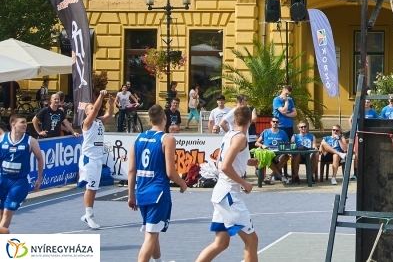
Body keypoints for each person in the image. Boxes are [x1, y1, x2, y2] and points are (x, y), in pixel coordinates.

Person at [194, 106, 260, 262]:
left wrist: (247, 161)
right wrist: (245, 183)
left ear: (235, 120)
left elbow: (220, 161)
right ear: (250, 121)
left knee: (221, 243)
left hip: (220, 193)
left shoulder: (229, 135)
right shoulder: (241, 138)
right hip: (229, 194)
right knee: (252, 241)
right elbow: (224, 166)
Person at [127, 104, 188, 262]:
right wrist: (182, 183)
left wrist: (130, 196)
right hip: (158, 193)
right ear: (165, 118)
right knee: (150, 236)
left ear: (149, 119)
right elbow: (170, 172)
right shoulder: (167, 139)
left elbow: (131, 170)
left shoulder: (138, 138)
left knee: (153, 231)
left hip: (141, 192)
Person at [0, 114, 44, 233]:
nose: (25, 124)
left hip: (19, 182)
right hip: (2, 179)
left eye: (25, 122)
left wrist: (39, 179)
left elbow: (40, 158)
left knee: (8, 212)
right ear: (13, 124)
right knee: (1, 212)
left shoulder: (31, 141)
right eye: (22, 122)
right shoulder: (2, 139)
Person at [79, 90, 115, 229]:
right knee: (90, 187)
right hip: (89, 158)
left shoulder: (99, 122)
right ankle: (89, 215)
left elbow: (109, 114)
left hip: (98, 158)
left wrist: (111, 104)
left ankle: (88, 214)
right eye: (90, 108)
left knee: (94, 187)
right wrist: (101, 96)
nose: (93, 109)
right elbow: (96, 110)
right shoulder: (87, 123)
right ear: (87, 112)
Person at [254, 119, 289, 184]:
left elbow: (287, 144)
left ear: (279, 123)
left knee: (286, 157)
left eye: (277, 122)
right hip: (268, 153)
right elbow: (256, 143)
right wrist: (262, 145)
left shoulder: (283, 132)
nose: (275, 123)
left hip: (279, 153)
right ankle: (281, 177)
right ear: (271, 122)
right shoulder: (266, 132)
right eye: (273, 121)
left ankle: (270, 176)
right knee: (266, 158)